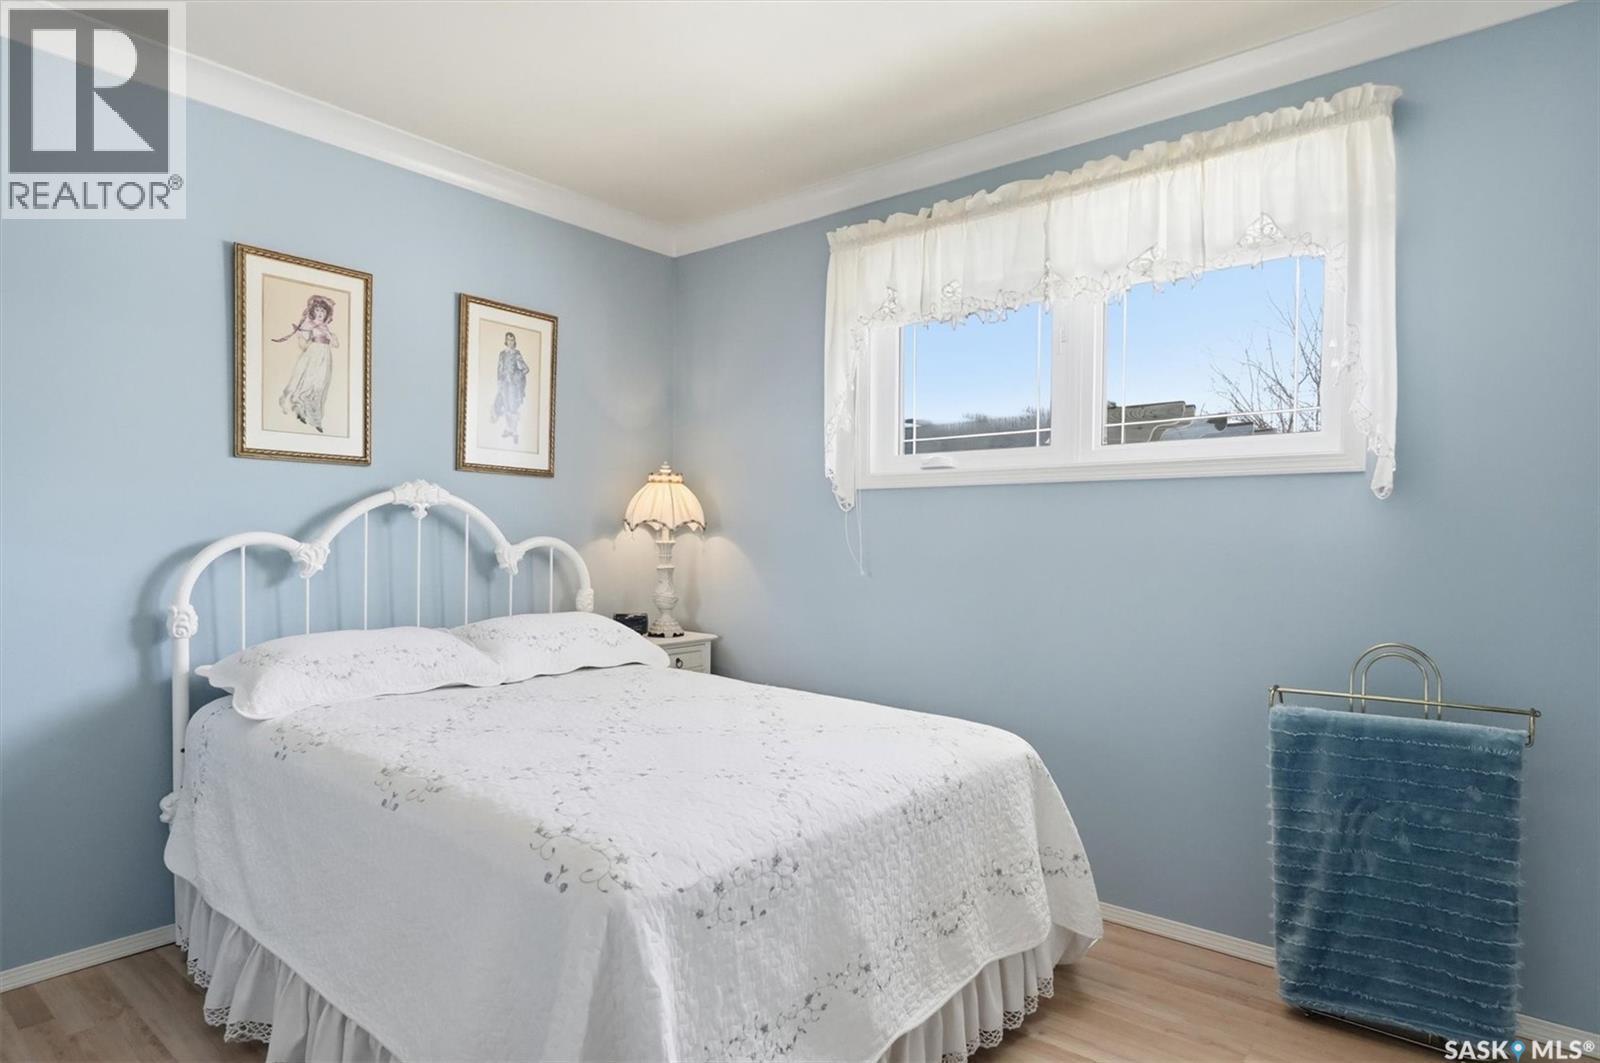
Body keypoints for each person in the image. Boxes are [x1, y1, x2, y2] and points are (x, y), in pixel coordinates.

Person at [274, 294, 339, 432]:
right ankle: (301, 410)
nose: (320, 313)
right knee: (308, 383)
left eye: (323, 311)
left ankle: (315, 417)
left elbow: (336, 344)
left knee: (320, 386)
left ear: (327, 313)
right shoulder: (308, 325)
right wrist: (299, 336)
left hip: (325, 357)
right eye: (318, 310)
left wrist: (331, 337)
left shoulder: (326, 328)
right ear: (313, 311)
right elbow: (304, 345)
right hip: (313, 355)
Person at [492, 331, 529, 444]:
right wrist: (499, 383)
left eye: (512, 340)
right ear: (506, 341)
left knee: (513, 407)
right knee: (506, 407)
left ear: (514, 341)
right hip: (504, 385)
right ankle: (509, 429)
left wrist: (516, 376)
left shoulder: (516, 354)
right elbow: (499, 369)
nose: (510, 342)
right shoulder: (502, 354)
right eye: (508, 339)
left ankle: (515, 432)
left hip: (513, 386)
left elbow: (526, 369)